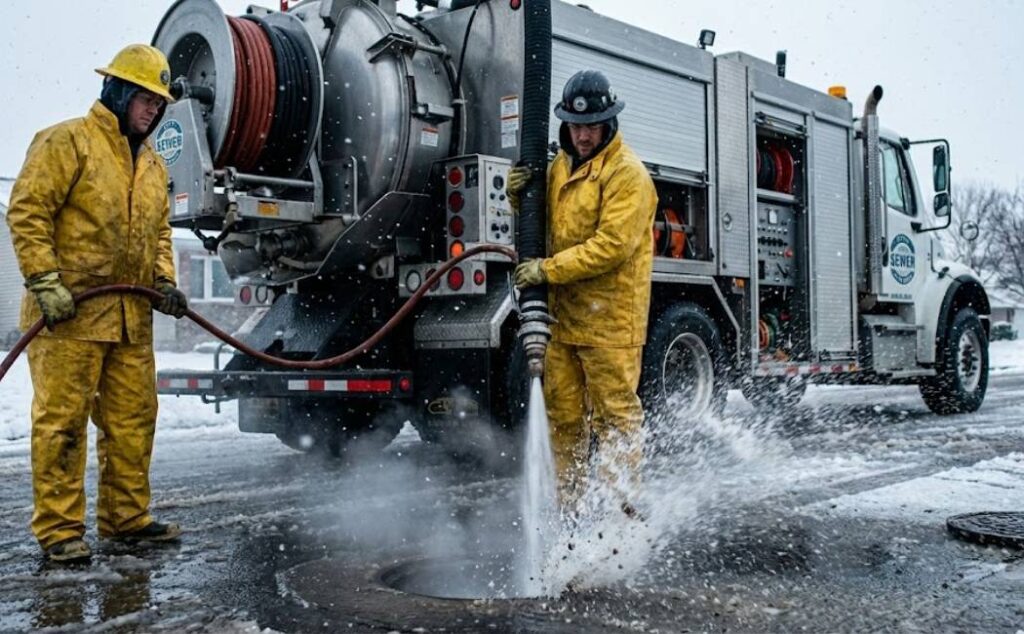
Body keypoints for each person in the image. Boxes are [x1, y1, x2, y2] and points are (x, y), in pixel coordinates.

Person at [6, 44, 189, 563]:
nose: (152, 110)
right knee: (62, 423)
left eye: (159, 103)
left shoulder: (153, 165)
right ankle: (61, 531)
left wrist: (164, 280)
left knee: (133, 421)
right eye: (145, 99)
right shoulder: (69, 141)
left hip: (131, 319)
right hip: (70, 315)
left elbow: (159, 233)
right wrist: (44, 280)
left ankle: (126, 520)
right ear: (118, 91)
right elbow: (28, 211)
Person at [510, 70, 657, 511]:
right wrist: (521, 199)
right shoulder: (559, 167)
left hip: (610, 322)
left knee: (615, 420)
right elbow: (548, 225)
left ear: (609, 122)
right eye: (576, 126)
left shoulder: (628, 175)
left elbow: (610, 247)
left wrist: (546, 271)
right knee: (564, 419)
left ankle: (618, 515)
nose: (584, 135)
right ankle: (568, 511)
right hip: (565, 319)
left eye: (592, 125)